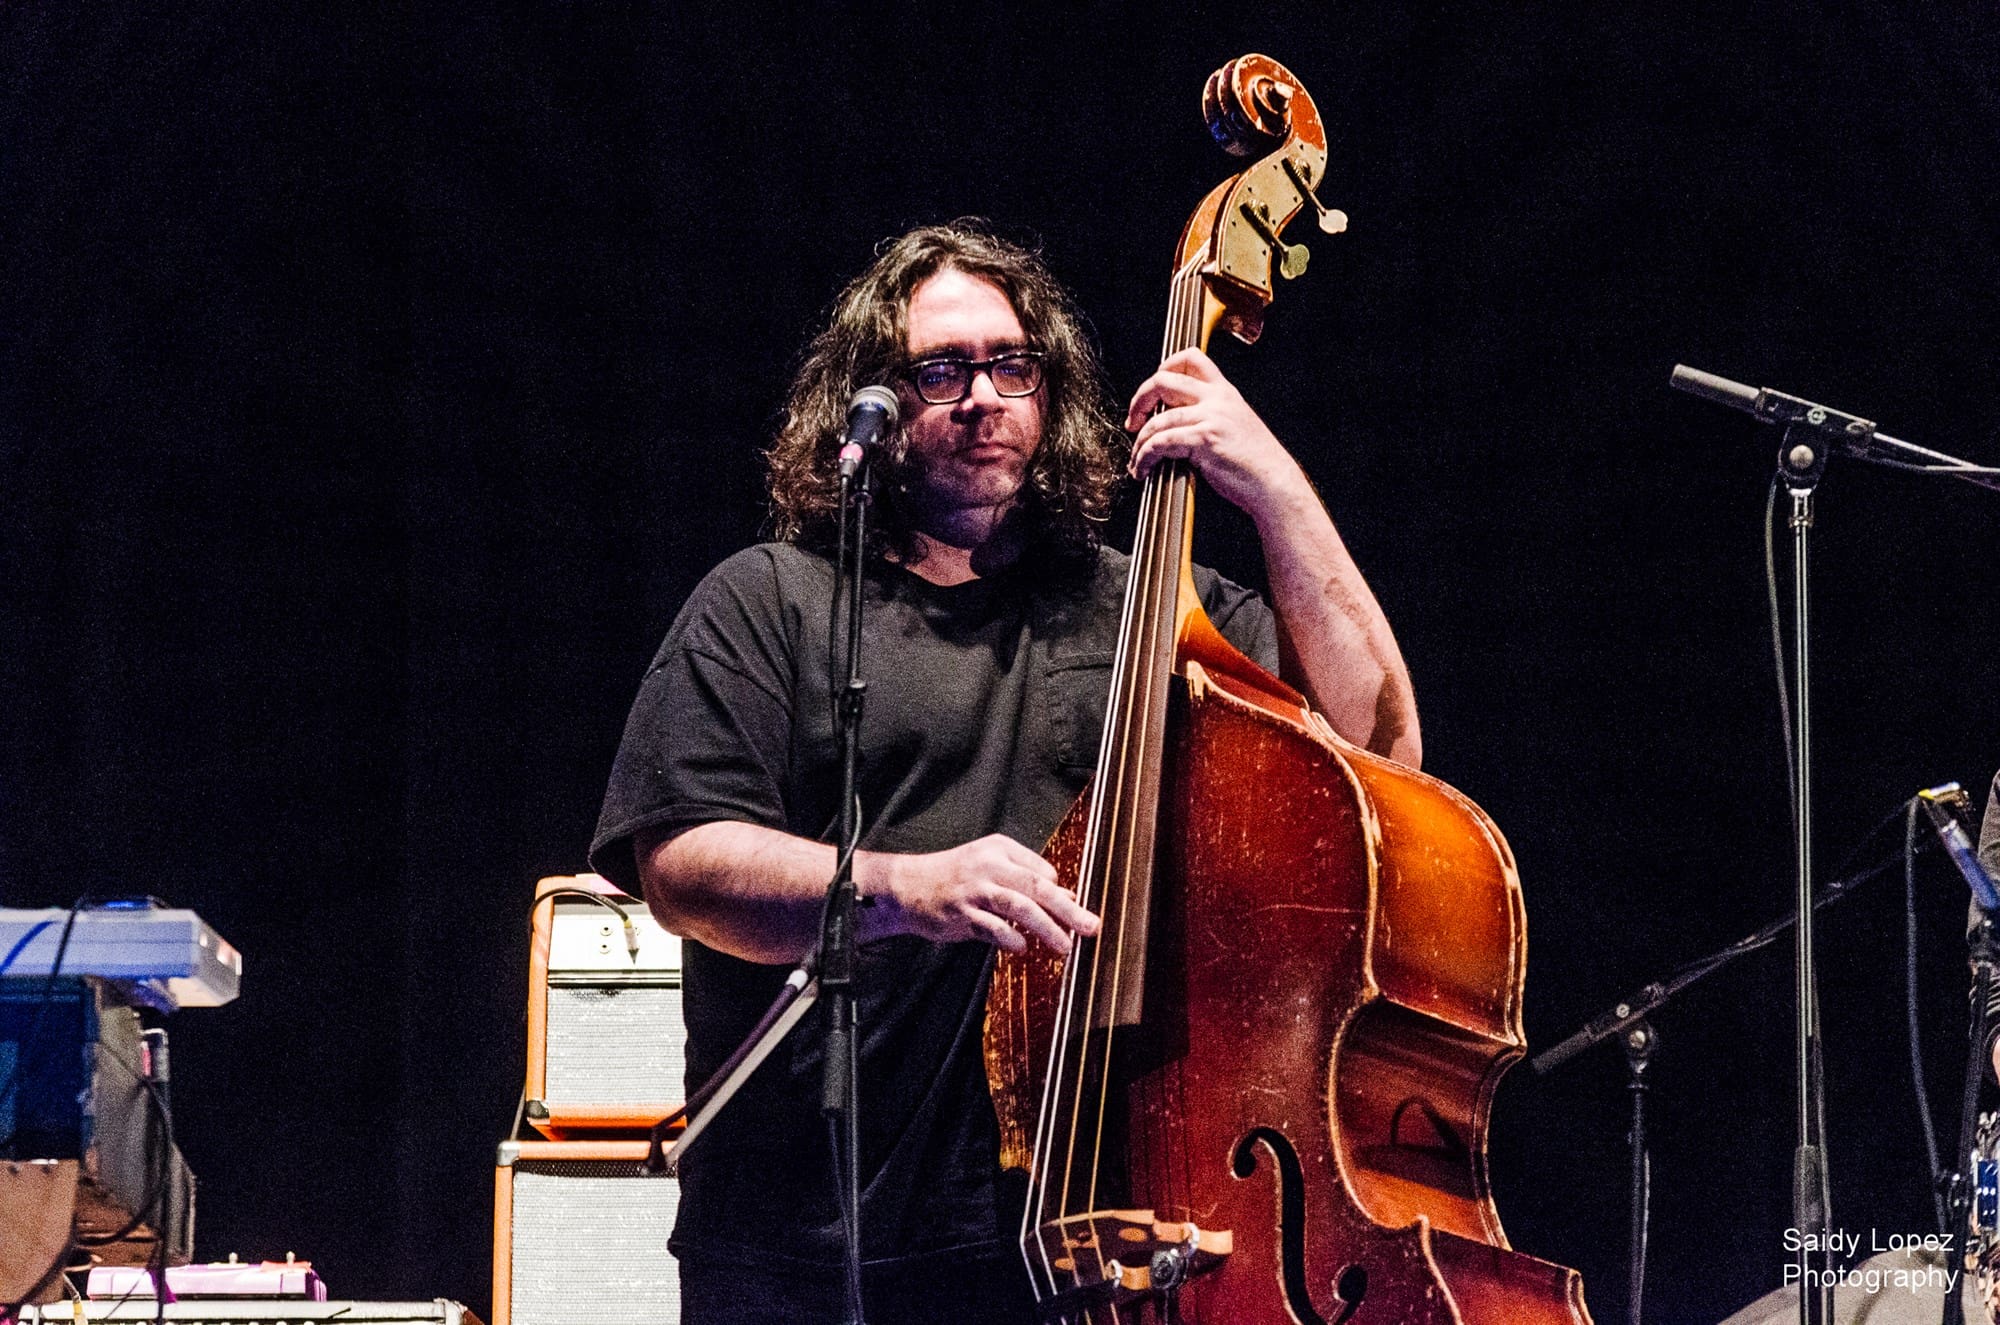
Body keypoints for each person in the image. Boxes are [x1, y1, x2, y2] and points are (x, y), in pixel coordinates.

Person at [590, 221, 1419, 1323]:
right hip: (805, 1241)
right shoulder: (768, 601)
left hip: (1096, 1227)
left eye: (1010, 364)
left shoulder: (1153, 613)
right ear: (871, 403)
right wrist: (903, 886)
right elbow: (681, 863)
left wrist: (1275, 488)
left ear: (1049, 387)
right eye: (940, 370)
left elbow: (1379, 756)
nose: (982, 396)